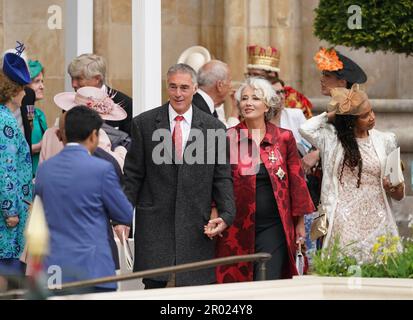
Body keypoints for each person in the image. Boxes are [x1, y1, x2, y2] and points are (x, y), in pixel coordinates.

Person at [123, 63, 236, 289]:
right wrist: (122, 216)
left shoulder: (214, 128)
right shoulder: (144, 124)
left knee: (194, 291)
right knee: (154, 288)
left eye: (184, 87)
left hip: (196, 224)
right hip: (154, 224)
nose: (178, 94)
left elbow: (222, 177)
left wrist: (226, 213)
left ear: (195, 88)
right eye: (173, 87)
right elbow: (133, 176)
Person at [215, 77, 314, 282]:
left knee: (268, 282)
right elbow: (218, 180)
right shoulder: (228, 137)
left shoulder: (284, 137)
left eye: (255, 98)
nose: (248, 103)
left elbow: (296, 182)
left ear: (267, 103)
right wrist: (215, 212)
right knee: (239, 285)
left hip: (274, 226)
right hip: (237, 226)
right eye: (244, 98)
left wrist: (300, 224)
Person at [299, 84, 404, 262]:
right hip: (342, 219)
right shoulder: (331, 140)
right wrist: (333, 115)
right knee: (344, 272)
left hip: (378, 217)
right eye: (364, 115)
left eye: (372, 111)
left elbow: (399, 193)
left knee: (380, 273)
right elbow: (305, 129)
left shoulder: (385, 140)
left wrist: (392, 187)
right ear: (350, 120)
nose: (372, 117)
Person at [35, 106, 133, 293]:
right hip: (94, 266)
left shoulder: (45, 170)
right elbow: (124, 213)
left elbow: (39, 212)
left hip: (55, 266)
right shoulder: (101, 169)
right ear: (93, 135)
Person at [0, 47, 33, 275]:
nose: (25, 94)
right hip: (7, 222)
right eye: (22, 89)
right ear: (13, 92)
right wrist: (10, 210)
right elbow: (5, 170)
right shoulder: (6, 124)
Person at [40, 87, 128, 170]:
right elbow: (116, 165)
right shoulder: (97, 135)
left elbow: (41, 168)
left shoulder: (49, 133)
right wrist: (121, 150)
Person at [68, 53, 133, 135]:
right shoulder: (68, 103)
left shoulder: (125, 104)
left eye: (78, 78)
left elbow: (128, 142)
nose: (73, 84)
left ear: (97, 79)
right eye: (72, 78)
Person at [245, 45, 313, 119]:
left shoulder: (292, 98)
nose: (251, 79)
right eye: (249, 74)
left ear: (272, 74)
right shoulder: (245, 96)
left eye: (256, 75)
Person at [27, 60, 47, 176]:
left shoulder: (39, 113)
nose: (42, 86)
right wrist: (37, 147)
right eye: (37, 81)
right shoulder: (14, 115)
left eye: (42, 81)